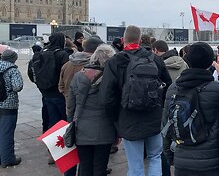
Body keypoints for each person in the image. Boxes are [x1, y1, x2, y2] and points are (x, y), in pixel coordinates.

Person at [99, 25, 172, 176]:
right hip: (153, 117)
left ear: (123, 39)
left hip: (128, 118)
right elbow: (168, 86)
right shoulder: (155, 59)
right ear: (139, 39)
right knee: (155, 157)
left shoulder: (116, 61)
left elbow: (107, 97)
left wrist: (115, 121)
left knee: (135, 164)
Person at [162, 42, 219, 176]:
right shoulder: (215, 88)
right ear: (210, 62)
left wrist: (170, 155)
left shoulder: (173, 88)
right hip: (211, 160)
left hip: (182, 158)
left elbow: (166, 124)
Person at [67, 44, 116, 176]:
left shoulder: (78, 76)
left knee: (84, 165)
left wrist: (71, 122)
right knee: (100, 167)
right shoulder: (110, 79)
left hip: (81, 128)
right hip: (104, 129)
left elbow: (71, 105)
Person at [28, 32, 69, 164]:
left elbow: (31, 71)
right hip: (60, 94)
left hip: (47, 94)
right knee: (65, 122)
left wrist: (41, 86)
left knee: (53, 122)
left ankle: (53, 153)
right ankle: (65, 152)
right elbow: (66, 75)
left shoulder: (42, 52)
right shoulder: (62, 54)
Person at [59, 37, 104, 108]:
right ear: (97, 50)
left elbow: (61, 86)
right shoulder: (94, 66)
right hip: (87, 106)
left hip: (69, 104)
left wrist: (68, 96)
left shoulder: (67, 64)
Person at [0, 50, 23, 168]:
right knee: (6, 132)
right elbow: (17, 86)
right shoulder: (12, 70)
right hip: (8, 105)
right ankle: (7, 159)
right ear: (13, 59)